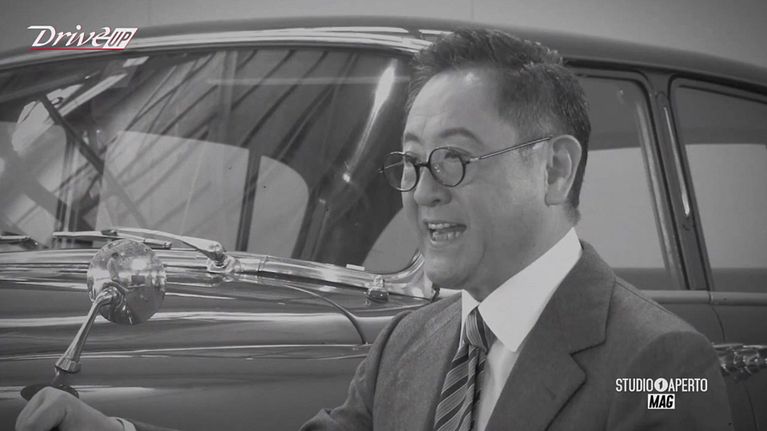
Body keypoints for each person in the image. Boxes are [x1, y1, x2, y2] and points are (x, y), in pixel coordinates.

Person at [17, 29, 732, 431]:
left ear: (553, 169)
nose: (421, 192)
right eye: (411, 161)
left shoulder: (662, 363)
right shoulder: (409, 343)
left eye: (452, 159)